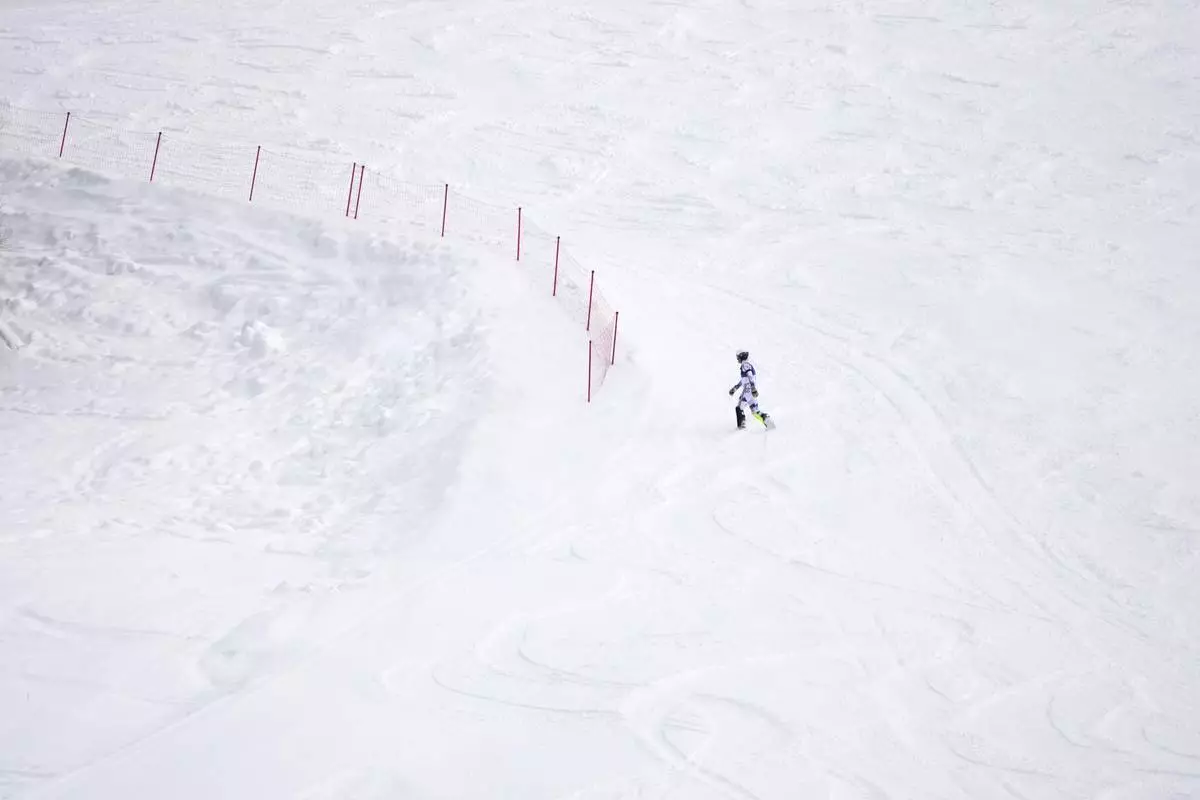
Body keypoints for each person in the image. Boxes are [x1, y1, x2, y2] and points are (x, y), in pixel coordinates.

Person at [728, 350, 771, 429]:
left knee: (739, 407)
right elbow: (744, 380)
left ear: (741, 356)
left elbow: (750, 375)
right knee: (755, 411)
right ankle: (768, 422)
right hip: (751, 392)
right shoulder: (746, 365)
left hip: (748, 390)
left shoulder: (745, 365)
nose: (737, 359)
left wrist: (752, 387)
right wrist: (735, 388)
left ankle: (741, 426)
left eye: (738, 357)